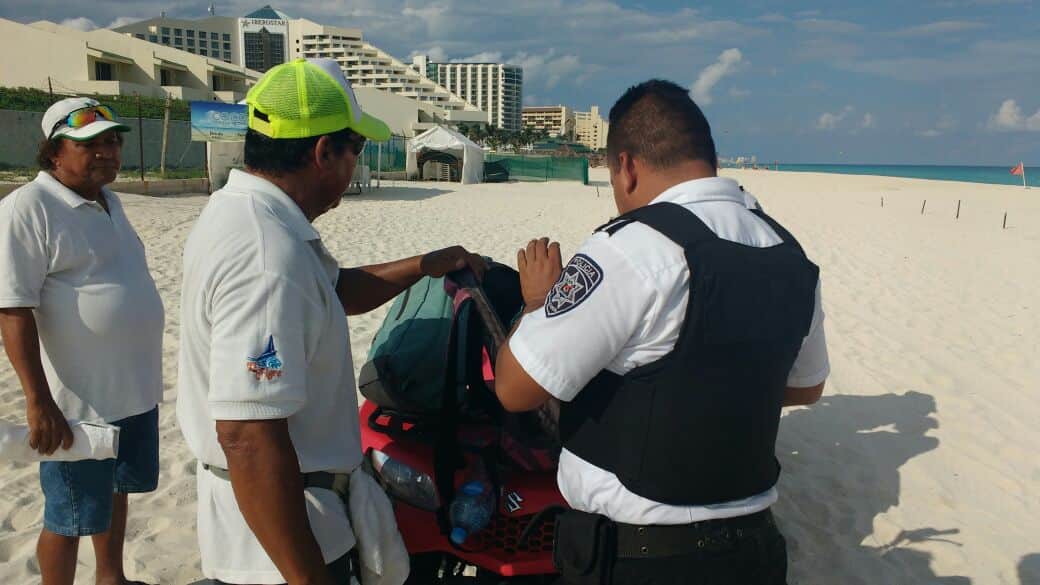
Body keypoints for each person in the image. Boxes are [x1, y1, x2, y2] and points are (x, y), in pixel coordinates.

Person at [494, 79, 830, 585]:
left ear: (626, 166)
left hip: (639, 556)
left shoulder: (630, 248)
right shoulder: (787, 252)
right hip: (754, 553)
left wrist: (539, 301)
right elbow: (805, 387)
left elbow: (515, 389)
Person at [177, 58, 485, 585]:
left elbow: (336, 290)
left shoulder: (248, 214)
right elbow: (247, 436)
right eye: (356, 151)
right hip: (285, 541)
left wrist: (421, 265)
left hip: (277, 523)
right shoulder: (266, 255)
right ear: (324, 153)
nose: (355, 167)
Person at [0, 97, 165, 585]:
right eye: (91, 144)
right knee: (70, 514)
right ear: (54, 152)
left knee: (115, 490)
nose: (108, 152)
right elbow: (12, 308)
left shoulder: (110, 201)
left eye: (113, 141)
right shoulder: (28, 208)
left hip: (132, 390)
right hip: (74, 400)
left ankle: (110, 578)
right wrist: (38, 400)